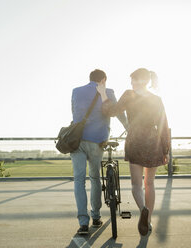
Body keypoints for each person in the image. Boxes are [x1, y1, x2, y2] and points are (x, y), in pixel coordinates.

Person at [96, 68, 170, 236]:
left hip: (135, 140)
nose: (131, 83)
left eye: (134, 80)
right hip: (153, 142)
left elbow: (111, 111)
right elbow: (163, 126)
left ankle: (143, 209)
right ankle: (148, 220)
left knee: (136, 184)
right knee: (149, 184)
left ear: (141, 81)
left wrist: (103, 94)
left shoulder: (129, 95)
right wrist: (166, 150)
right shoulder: (156, 99)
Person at [71, 69, 128, 235]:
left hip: (77, 140)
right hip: (97, 141)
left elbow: (74, 112)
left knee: (78, 180)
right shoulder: (108, 92)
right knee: (95, 177)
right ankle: (95, 217)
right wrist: (127, 126)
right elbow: (118, 113)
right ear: (103, 80)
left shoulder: (76, 91)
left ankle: (83, 223)